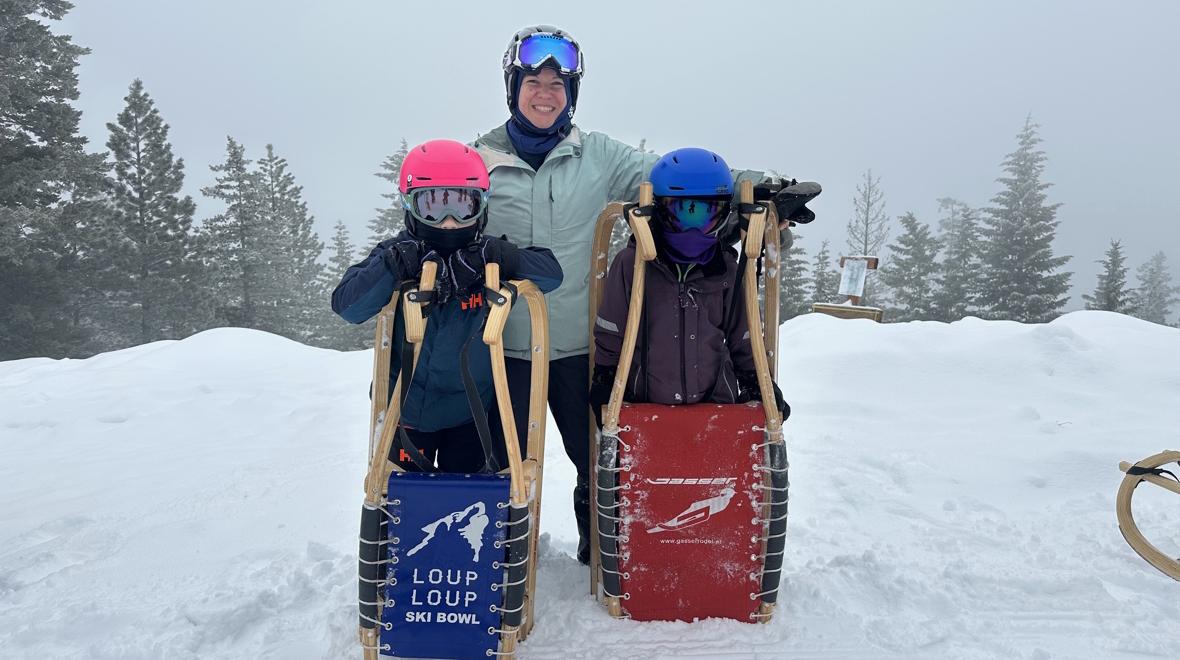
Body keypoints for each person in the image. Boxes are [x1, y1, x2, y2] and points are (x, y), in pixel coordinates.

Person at [473, 25, 817, 564]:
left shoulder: (599, 156)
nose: (545, 93)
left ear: (572, 94)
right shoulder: (482, 160)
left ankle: (603, 553)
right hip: (503, 345)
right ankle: (503, 555)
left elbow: (678, 176)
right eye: (534, 82)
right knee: (504, 460)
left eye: (558, 85)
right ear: (513, 86)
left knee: (597, 457)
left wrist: (759, 188)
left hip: (581, 346)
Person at [331, 139, 562, 473]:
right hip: (404, 413)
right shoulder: (398, 253)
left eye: (462, 205)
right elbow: (348, 304)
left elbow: (551, 274)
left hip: (469, 414)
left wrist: (497, 256)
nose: (449, 221)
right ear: (409, 206)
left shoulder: (485, 255)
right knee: (402, 506)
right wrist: (394, 265)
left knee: (464, 509)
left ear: (481, 206)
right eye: (433, 206)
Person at [590, 147, 789, 425]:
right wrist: (605, 376)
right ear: (660, 212)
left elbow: (743, 335)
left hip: (715, 406)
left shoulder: (727, 270)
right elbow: (611, 330)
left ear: (723, 216)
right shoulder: (632, 265)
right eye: (684, 212)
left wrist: (755, 381)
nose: (693, 229)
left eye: (706, 215)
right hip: (645, 406)